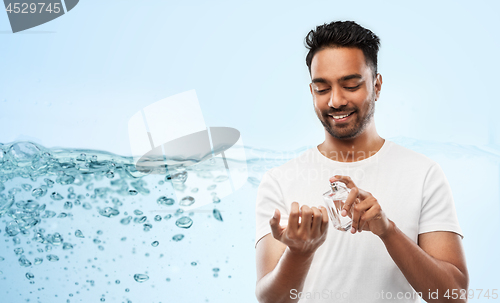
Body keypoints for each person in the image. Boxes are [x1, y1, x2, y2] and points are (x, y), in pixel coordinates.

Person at [254, 21, 468, 303]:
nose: (336, 100)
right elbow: (271, 300)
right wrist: (299, 253)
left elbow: (454, 295)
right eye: (322, 89)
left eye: (351, 85)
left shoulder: (423, 173)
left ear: (376, 86)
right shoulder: (279, 180)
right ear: (311, 92)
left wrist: (387, 231)